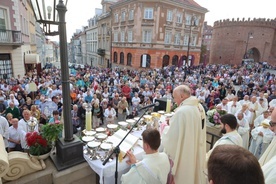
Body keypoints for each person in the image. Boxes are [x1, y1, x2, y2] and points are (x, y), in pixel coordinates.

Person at [162, 85, 206, 184]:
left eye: (175, 97)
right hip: (195, 144)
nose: (174, 100)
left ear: (182, 97)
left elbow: (172, 139)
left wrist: (165, 128)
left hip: (185, 150)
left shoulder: (182, 111)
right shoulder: (199, 106)